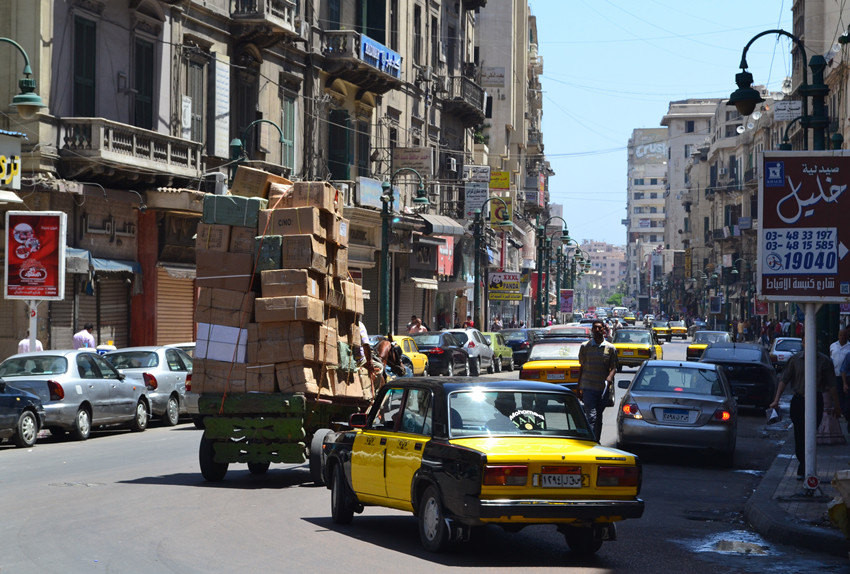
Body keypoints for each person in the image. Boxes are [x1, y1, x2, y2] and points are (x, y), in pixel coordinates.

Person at [769, 336, 842, 479]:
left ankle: (806, 467)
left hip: (816, 400)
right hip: (799, 400)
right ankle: (803, 465)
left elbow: (832, 385)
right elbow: (784, 380)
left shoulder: (824, 361)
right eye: (806, 340)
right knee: (799, 433)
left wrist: (836, 406)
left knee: (810, 433)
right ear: (803, 343)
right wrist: (776, 400)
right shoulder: (795, 360)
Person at [577, 320, 619, 441]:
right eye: (594, 328)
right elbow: (582, 367)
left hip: (602, 389)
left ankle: (597, 440)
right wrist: (578, 386)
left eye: (599, 328)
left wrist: (610, 377)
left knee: (598, 417)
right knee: (591, 416)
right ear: (591, 330)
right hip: (588, 387)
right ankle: (590, 440)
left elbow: (614, 367)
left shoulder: (610, 348)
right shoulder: (585, 347)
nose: (597, 330)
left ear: (604, 330)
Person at [830, 329, 850, 430]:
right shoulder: (833, 346)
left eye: (844, 335)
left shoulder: (849, 347)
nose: (842, 337)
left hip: (846, 377)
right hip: (835, 374)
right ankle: (840, 411)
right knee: (837, 395)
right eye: (840, 335)